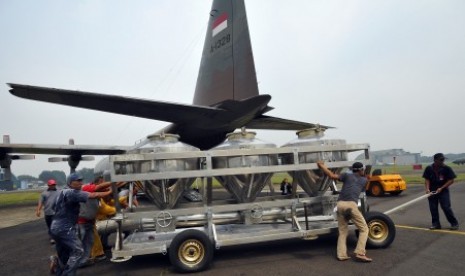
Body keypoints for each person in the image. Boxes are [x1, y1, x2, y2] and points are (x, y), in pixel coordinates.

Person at [49, 172, 112, 276]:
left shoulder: (61, 192)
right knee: (78, 250)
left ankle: (58, 269)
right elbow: (94, 195)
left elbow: (52, 207)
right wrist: (110, 191)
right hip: (66, 227)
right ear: (70, 182)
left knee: (65, 252)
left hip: (55, 226)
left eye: (81, 180)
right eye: (77, 181)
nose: (80, 183)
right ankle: (68, 273)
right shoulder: (72, 192)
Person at [317, 161, 372, 262]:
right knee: (364, 229)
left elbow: (331, 175)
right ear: (360, 170)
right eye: (363, 169)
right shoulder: (364, 180)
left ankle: (341, 255)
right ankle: (360, 252)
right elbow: (364, 190)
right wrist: (368, 179)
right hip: (351, 205)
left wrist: (322, 166)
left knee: (343, 231)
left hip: (340, 205)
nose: (364, 171)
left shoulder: (347, 175)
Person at [77, 176, 112, 267]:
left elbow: (104, 195)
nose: (103, 184)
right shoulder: (86, 188)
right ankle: (67, 261)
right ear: (96, 183)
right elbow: (104, 206)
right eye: (102, 182)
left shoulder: (93, 190)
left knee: (90, 240)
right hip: (82, 222)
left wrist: (118, 183)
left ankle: (86, 259)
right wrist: (114, 182)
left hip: (90, 221)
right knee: (82, 241)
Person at [422, 153, 459, 230]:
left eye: (443, 159)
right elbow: (427, 179)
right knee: (433, 208)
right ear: (435, 160)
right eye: (441, 160)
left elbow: (451, 180)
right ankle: (436, 224)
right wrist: (427, 189)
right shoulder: (429, 168)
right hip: (432, 191)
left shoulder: (447, 168)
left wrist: (441, 188)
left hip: (443, 191)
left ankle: (454, 223)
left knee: (446, 207)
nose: (443, 161)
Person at [36, 179, 60, 244]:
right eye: (51, 185)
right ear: (48, 185)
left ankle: (54, 238)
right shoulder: (44, 193)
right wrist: (38, 210)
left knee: (55, 225)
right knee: (49, 226)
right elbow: (40, 202)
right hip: (48, 212)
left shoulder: (59, 192)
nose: (53, 186)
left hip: (57, 212)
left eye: (54, 184)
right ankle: (52, 236)